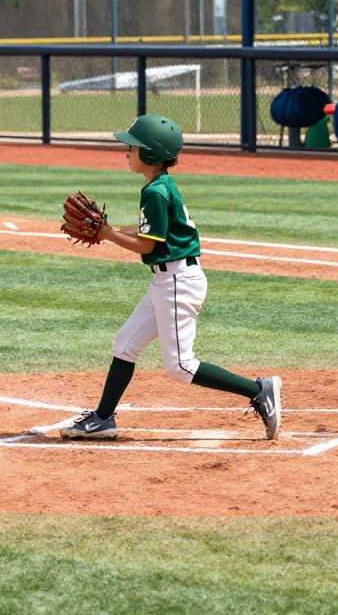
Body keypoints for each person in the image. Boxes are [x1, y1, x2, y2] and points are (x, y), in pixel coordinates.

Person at [60, 114, 282, 440]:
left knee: (181, 366)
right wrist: (111, 231)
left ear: (150, 154)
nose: (127, 151)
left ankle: (258, 390)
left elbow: (147, 243)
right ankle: (103, 418)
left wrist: (107, 233)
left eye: (133, 147)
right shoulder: (158, 187)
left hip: (178, 283)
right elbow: (151, 235)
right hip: (169, 281)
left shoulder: (155, 192)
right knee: (125, 344)